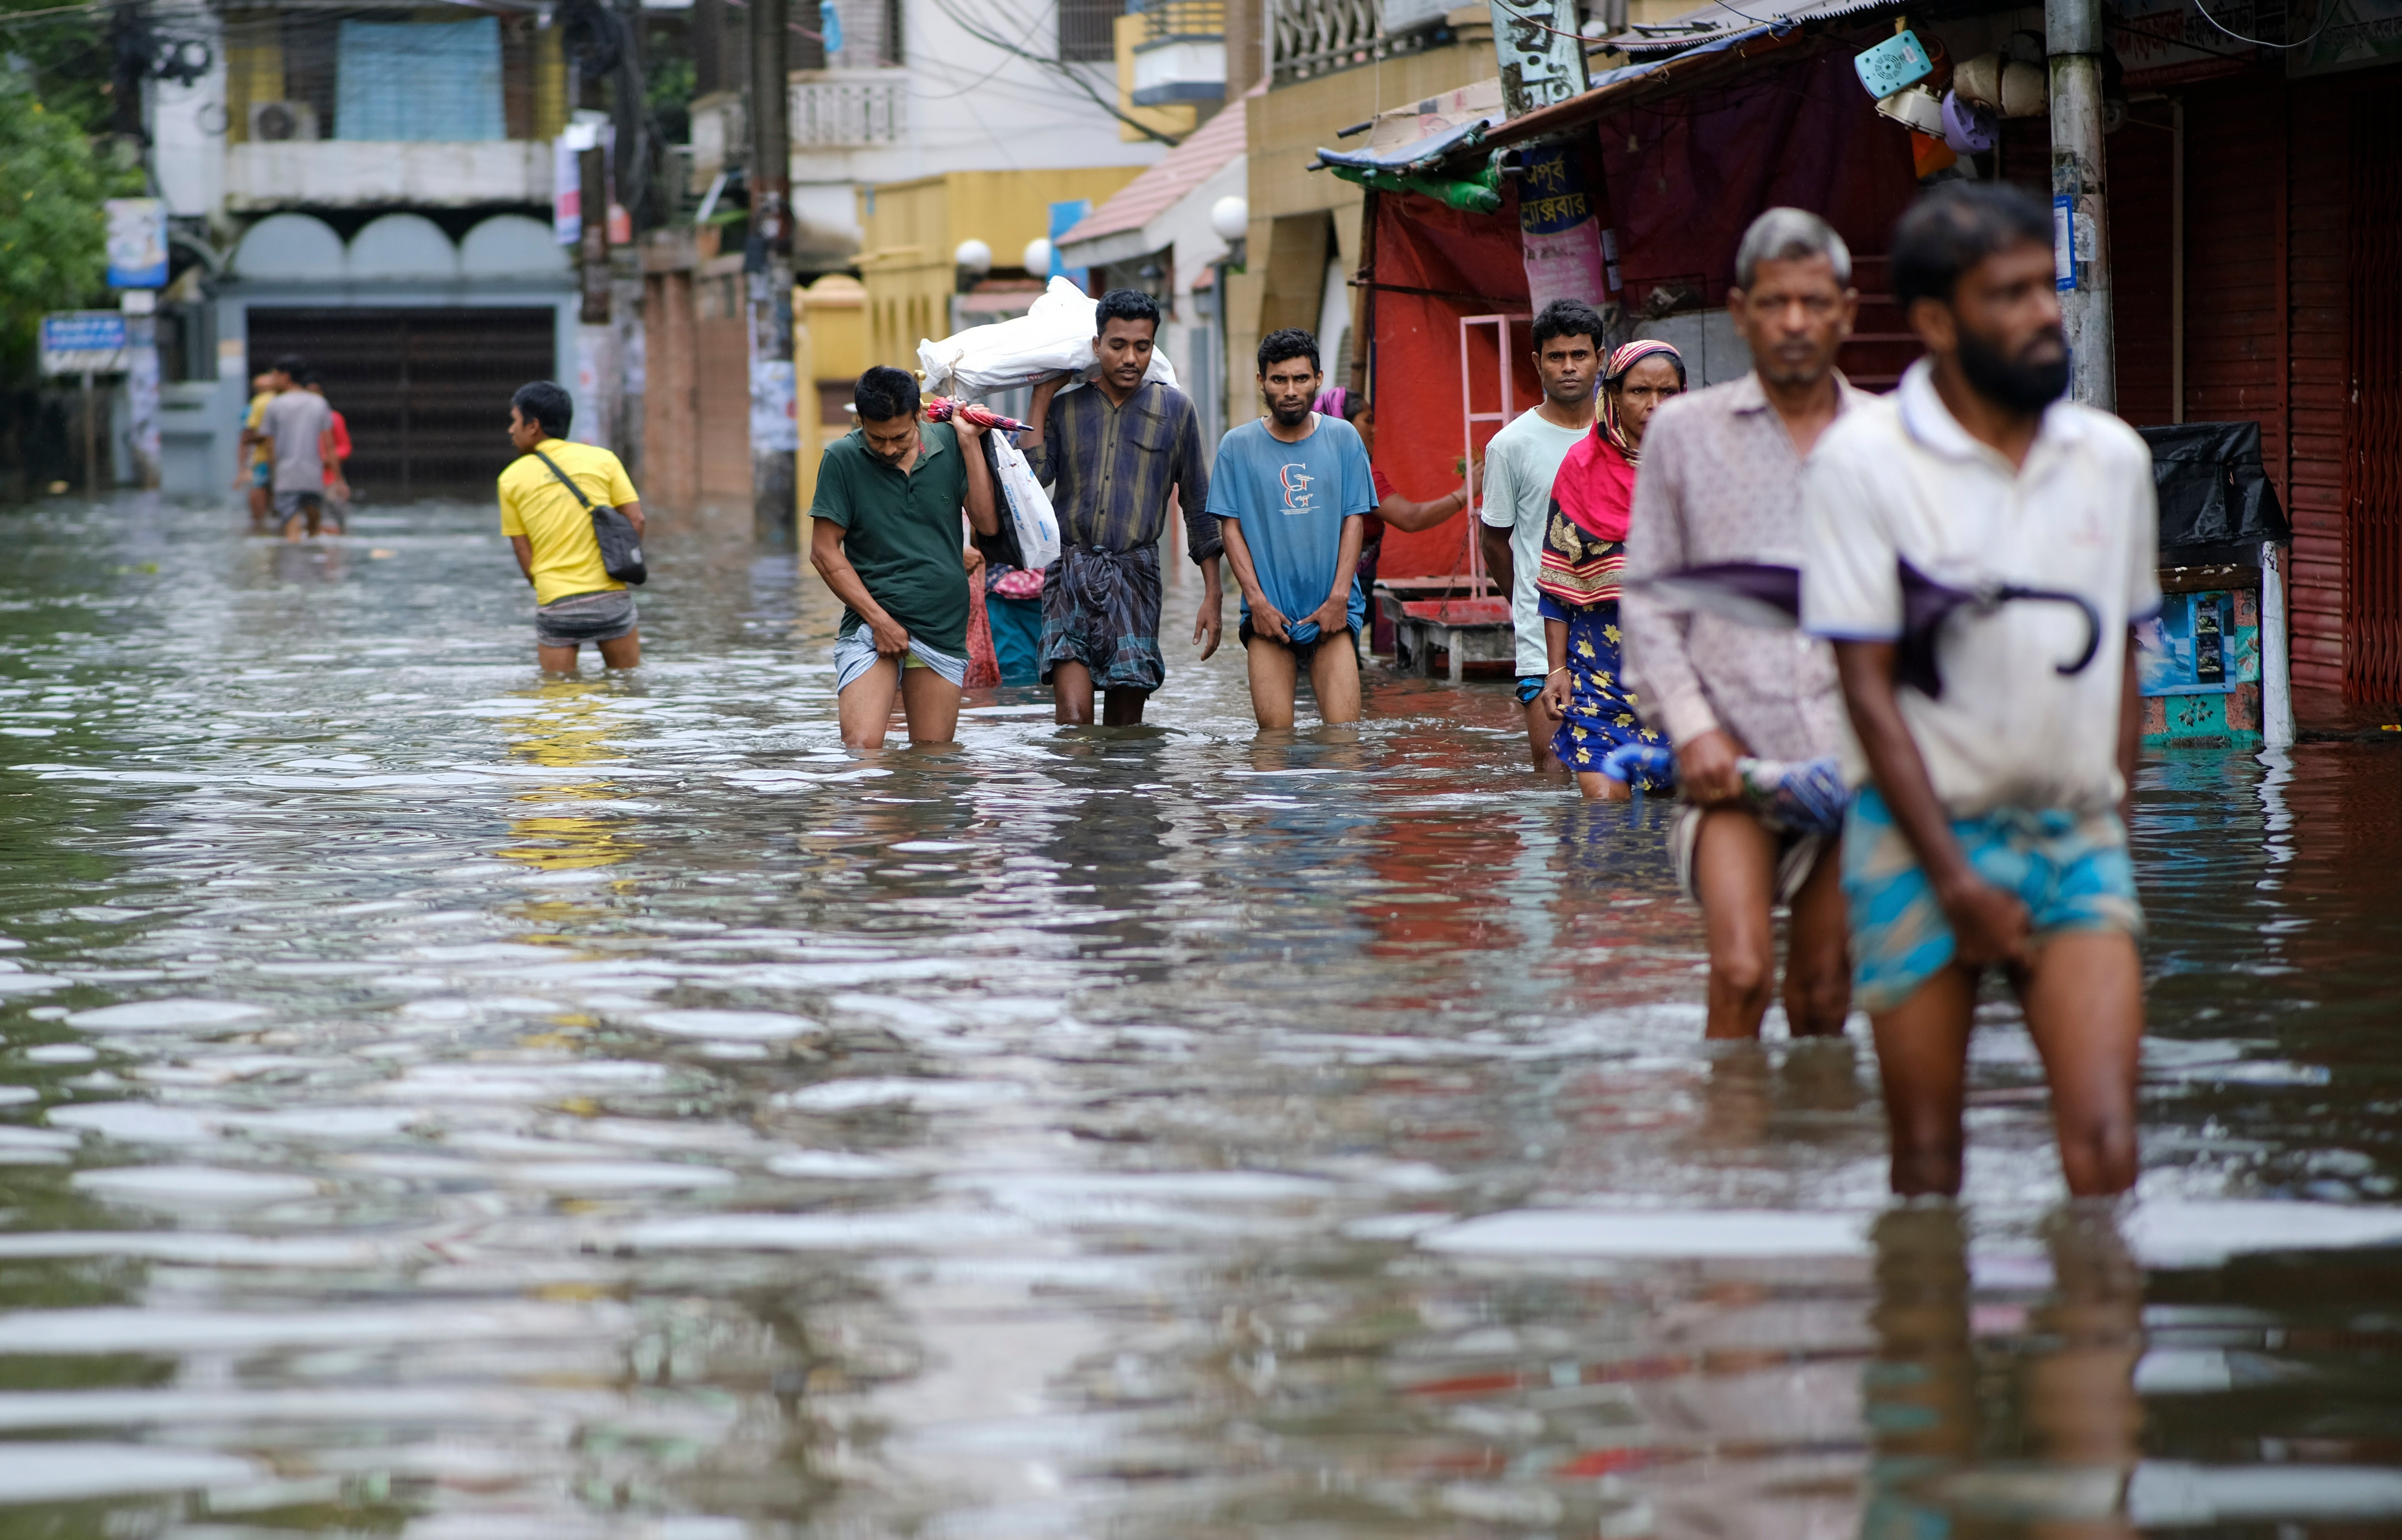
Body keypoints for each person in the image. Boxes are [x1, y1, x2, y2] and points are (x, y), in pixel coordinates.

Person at [1802, 183, 2156, 1198]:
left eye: (2044, 287)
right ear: (1933, 322)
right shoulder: (1860, 465)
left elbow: (2121, 662)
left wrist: (2113, 822)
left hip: (2075, 836)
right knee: (1926, 1162)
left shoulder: (2113, 460)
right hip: (1914, 845)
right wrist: (1955, 879)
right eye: (2007, 295)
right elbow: (1866, 692)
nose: (2044, 311)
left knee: (2105, 1154)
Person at [1620, 207, 1864, 1042]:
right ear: (1739, 313)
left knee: (1826, 996)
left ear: (1845, 311)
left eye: (1812, 302)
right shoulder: (1684, 433)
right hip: (1729, 760)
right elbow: (1648, 598)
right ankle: (1726, 1165)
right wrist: (1690, 729)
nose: (1793, 322)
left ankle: (1812, 1157)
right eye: (1772, 303)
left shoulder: (1891, 440)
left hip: (1853, 762)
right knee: (1739, 973)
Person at [1021, 288, 1217, 726]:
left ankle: (1116, 798)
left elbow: (1198, 507)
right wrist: (1042, 394)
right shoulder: (1065, 408)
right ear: (1096, 346)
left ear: (1153, 347)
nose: (1130, 357)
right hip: (1069, 571)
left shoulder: (1177, 411)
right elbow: (1035, 478)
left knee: (1125, 734)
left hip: (1136, 576)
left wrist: (1213, 593)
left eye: (1142, 347)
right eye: (1118, 345)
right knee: (1074, 727)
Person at [810, 365, 1000, 749]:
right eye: (876, 438)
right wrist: (880, 622)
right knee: (862, 754)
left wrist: (968, 443)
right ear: (860, 419)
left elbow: (986, 523)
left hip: (941, 627)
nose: (889, 448)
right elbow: (824, 553)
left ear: (917, 415)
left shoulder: (950, 443)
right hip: (870, 627)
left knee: (932, 763)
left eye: (899, 436)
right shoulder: (842, 458)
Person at [1208, 328, 1378, 731]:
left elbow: (1355, 520)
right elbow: (1230, 530)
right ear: (1261, 382)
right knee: (1272, 746)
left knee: (1344, 745)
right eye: (1279, 379)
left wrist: (1339, 597)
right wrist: (1257, 602)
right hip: (1267, 616)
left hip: (1334, 611)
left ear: (1318, 379)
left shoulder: (1344, 438)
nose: (1290, 390)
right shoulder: (1236, 446)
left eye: (1301, 379)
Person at [1537, 339, 1685, 799]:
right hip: (1598, 670)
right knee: (1605, 813)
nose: (1654, 405)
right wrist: (1556, 669)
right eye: (1640, 391)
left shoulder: (1700, 465)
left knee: (1677, 826)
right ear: (1615, 395)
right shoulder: (1580, 468)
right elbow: (1558, 581)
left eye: (1668, 392)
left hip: (1683, 672)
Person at [1477, 299, 1605, 771]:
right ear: (1537, 362)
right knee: (1554, 774)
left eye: (1579, 355)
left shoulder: (1622, 435)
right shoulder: (1510, 445)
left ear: (1600, 358)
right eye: (1556, 356)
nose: (1569, 367)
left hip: (1619, 631)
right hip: (1541, 639)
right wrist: (1528, 605)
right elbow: (1494, 540)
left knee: (1626, 779)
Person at [498, 379, 647, 673]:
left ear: (533, 426)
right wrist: (619, 567)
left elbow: (521, 547)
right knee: (629, 689)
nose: (511, 430)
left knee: (557, 699)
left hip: (557, 602)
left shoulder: (510, 478)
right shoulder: (604, 460)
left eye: (515, 421)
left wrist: (546, 587)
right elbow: (637, 520)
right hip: (609, 595)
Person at [1318, 387, 1476, 654]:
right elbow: (1411, 519)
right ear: (1343, 425)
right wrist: (1465, 494)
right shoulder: (1359, 473)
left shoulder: (1315, 471)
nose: (1375, 430)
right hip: (1342, 594)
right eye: (1368, 421)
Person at [257, 355, 336, 541]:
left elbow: (270, 447)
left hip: (286, 478)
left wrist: (273, 477)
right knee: (315, 530)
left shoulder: (274, 405)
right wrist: (339, 480)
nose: (273, 381)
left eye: (275, 376)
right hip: (312, 477)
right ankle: (315, 567)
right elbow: (329, 444)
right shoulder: (319, 403)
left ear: (286, 377)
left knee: (292, 534)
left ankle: (294, 569)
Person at [305, 372, 352, 530]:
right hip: (307, 477)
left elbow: (345, 447)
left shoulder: (335, 418)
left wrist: (326, 459)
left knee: (336, 519)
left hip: (330, 477)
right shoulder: (301, 421)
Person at [235, 371, 275, 530]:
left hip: (267, 462)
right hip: (262, 462)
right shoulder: (253, 408)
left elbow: (244, 441)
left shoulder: (273, 402)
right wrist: (242, 470)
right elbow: (244, 441)